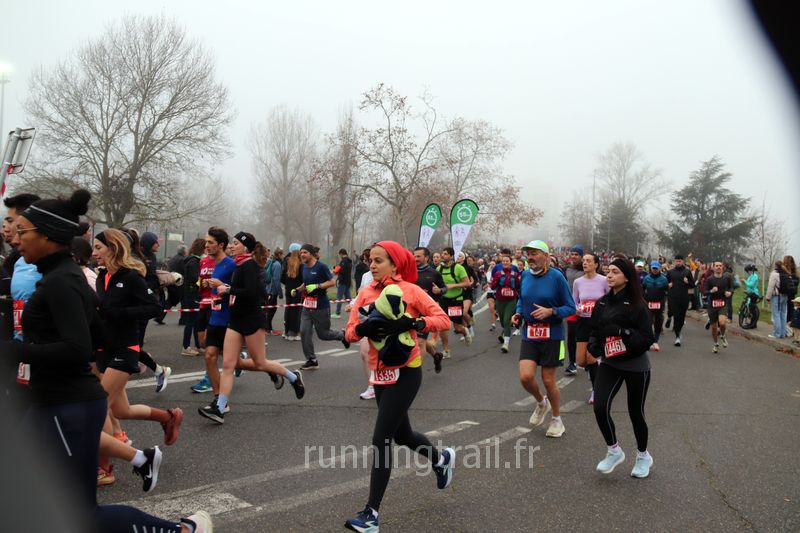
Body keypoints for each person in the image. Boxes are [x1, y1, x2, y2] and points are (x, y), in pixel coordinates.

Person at [4, 189, 211, 532]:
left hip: (65, 406)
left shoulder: (62, 282)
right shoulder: (64, 277)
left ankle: (183, 530)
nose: (15, 237)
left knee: (79, 515)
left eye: (22, 230)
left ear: (48, 236)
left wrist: (13, 351)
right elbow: (99, 336)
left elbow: (77, 348)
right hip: (53, 402)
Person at [343, 241, 454, 533]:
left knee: (381, 438)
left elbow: (443, 320)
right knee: (402, 434)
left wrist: (412, 324)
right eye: (371, 260)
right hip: (380, 374)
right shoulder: (365, 293)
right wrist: (362, 329)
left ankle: (371, 515)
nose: (372, 265)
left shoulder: (411, 290)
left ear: (395, 265)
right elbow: (349, 333)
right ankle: (440, 458)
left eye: (379, 260)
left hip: (407, 372)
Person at [198, 232, 304, 423]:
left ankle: (293, 377)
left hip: (252, 320)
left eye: (235, 243)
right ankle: (219, 408)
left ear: (245, 247)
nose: (232, 246)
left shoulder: (251, 266)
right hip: (236, 320)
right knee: (228, 364)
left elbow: (253, 293)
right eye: (232, 243)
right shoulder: (238, 264)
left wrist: (227, 289)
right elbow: (237, 292)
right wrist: (225, 293)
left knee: (261, 362)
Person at [92, 229, 185, 444]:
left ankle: (110, 461)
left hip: (125, 347)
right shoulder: (102, 277)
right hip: (104, 347)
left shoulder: (131, 277)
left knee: (98, 406)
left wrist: (121, 313)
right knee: (121, 410)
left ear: (113, 248)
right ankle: (168, 417)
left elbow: (155, 307)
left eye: (98, 247)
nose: (94, 253)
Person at [587, 257, 655, 478]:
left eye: (615, 272)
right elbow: (594, 330)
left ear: (627, 277)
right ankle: (614, 450)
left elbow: (647, 338)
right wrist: (594, 346)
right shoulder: (602, 303)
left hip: (636, 365)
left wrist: (622, 333)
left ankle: (643, 456)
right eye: (608, 271)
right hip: (610, 363)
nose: (609, 275)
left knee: (636, 412)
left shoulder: (638, 305)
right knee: (599, 407)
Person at [511, 240, 575, 438]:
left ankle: (557, 420)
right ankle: (541, 402)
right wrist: (518, 313)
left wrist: (551, 311)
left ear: (546, 256)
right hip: (530, 332)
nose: (530, 257)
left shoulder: (557, 277)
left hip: (552, 334)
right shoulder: (524, 275)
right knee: (525, 377)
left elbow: (571, 307)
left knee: (548, 380)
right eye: (528, 254)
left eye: (535, 253)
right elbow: (522, 299)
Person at [297, 243, 349, 370]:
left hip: (320, 306)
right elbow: (306, 282)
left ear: (311, 254)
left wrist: (317, 286)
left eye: (305, 252)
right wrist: (298, 289)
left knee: (323, 334)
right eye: (301, 252)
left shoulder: (321, 267)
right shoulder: (304, 267)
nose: (302, 255)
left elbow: (332, 281)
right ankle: (312, 360)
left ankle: (342, 335)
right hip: (307, 305)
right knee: (304, 331)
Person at [572, 252, 609, 404]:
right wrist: (576, 308)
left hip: (598, 323)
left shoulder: (604, 281)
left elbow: (610, 299)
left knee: (590, 357)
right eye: (584, 261)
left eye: (588, 261)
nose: (585, 263)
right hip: (583, 321)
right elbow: (574, 300)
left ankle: (596, 390)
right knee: (581, 361)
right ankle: (595, 367)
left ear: (596, 264)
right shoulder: (578, 282)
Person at [413, 246, 446, 372]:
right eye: (414, 256)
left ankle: (415, 374)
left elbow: (445, 288)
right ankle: (436, 355)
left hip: (426, 312)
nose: (415, 258)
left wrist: (439, 290)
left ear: (426, 257)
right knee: (415, 338)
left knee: (420, 341)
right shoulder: (409, 272)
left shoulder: (434, 273)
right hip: (411, 310)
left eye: (418, 256)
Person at [436, 247, 473, 357]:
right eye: (442, 254)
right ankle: (446, 350)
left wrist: (453, 285)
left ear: (451, 256)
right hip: (443, 300)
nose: (443, 256)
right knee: (442, 326)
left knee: (457, 327)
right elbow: (436, 283)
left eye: (445, 254)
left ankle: (465, 331)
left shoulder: (459, 268)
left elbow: (467, 283)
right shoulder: (439, 269)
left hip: (455, 301)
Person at [491, 254, 521, 353]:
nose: (505, 262)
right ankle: (505, 332)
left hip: (511, 301)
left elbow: (518, 287)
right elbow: (493, 286)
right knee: (503, 322)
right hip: (500, 300)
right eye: (503, 261)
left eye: (507, 261)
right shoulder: (498, 274)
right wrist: (495, 281)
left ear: (510, 262)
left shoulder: (515, 274)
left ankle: (506, 344)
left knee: (507, 320)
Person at [180, 238, 204, 356]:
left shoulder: (192, 260)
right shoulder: (194, 261)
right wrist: (204, 280)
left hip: (192, 294)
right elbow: (195, 278)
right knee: (191, 321)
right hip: (192, 295)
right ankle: (186, 347)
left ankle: (198, 345)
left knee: (196, 321)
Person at [563, 245, 584, 375]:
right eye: (573, 254)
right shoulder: (567, 269)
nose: (574, 256)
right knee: (571, 335)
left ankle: (589, 359)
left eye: (577, 254)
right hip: (572, 305)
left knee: (585, 335)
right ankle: (572, 363)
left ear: (581, 256)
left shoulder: (586, 269)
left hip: (586, 306)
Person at [704, 261, 733, 353]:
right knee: (714, 327)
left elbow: (731, 287)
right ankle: (716, 344)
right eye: (716, 266)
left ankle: (723, 336)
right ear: (713, 268)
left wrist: (729, 292)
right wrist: (711, 291)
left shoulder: (726, 278)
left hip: (722, 304)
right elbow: (704, 291)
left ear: (722, 267)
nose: (718, 267)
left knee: (722, 323)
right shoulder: (709, 279)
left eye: (720, 266)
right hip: (712, 305)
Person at [665, 254, 692, 346]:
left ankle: (678, 331)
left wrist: (687, 282)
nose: (678, 262)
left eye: (680, 261)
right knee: (676, 316)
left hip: (684, 297)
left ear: (683, 261)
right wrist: (668, 285)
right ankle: (677, 337)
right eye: (677, 261)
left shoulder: (687, 272)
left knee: (682, 317)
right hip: (673, 297)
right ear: (675, 261)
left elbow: (692, 285)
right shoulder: (670, 272)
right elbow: (665, 283)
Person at [642, 260, 668, 351]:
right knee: (648, 322)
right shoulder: (647, 278)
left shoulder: (664, 279)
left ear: (659, 268)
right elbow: (643, 289)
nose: (655, 270)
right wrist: (644, 299)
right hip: (649, 303)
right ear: (651, 268)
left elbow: (667, 290)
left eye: (656, 268)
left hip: (659, 303)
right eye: (653, 268)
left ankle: (656, 341)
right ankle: (649, 340)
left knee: (658, 321)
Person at [766, 260, 792, 338]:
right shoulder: (786, 274)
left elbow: (771, 286)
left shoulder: (774, 274)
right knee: (783, 314)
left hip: (777, 296)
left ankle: (776, 334)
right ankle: (783, 334)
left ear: (775, 266)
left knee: (776, 314)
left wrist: (768, 297)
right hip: (785, 296)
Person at [265, 247, 284, 335]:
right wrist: (280, 292)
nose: (283, 256)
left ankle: (268, 328)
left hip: (267, 288)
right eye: (282, 254)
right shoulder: (277, 264)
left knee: (270, 309)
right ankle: (268, 329)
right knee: (271, 309)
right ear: (279, 254)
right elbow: (276, 279)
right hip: (272, 291)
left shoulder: (271, 262)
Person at [332, 248, 353, 318]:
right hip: (348, 281)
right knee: (348, 298)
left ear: (341, 254)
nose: (339, 256)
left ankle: (337, 313)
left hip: (342, 281)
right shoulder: (349, 261)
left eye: (339, 255)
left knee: (339, 297)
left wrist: (336, 270)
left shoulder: (343, 261)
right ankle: (354, 311)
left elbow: (342, 271)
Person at [783, 255, 798, 335]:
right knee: (789, 311)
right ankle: (789, 329)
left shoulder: (788, 273)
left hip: (787, 294)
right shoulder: (795, 273)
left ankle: (787, 330)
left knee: (786, 311)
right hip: (791, 294)